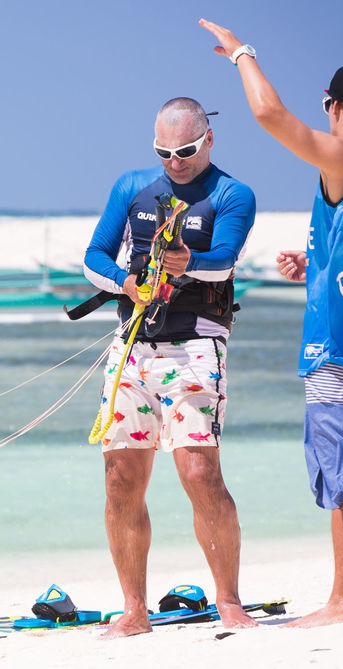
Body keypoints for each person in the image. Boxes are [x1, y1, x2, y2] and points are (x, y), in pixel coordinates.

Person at [199, 19, 343, 628]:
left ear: (337, 107)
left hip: (336, 341)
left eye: (327, 105)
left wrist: (242, 54)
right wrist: (317, 262)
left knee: (342, 471)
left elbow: (271, 116)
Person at [81, 97, 258, 638]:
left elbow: (225, 261)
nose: (173, 161)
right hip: (133, 342)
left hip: (197, 343)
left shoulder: (232, 194)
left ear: (208, 140)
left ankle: (229, 601)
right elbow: (94, 257)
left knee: (200, 474)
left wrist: (188, 263)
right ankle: (134, 610)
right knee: (121, 479)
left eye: (183, 150)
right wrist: (126, 283)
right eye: (163, 151)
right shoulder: (131, 186)